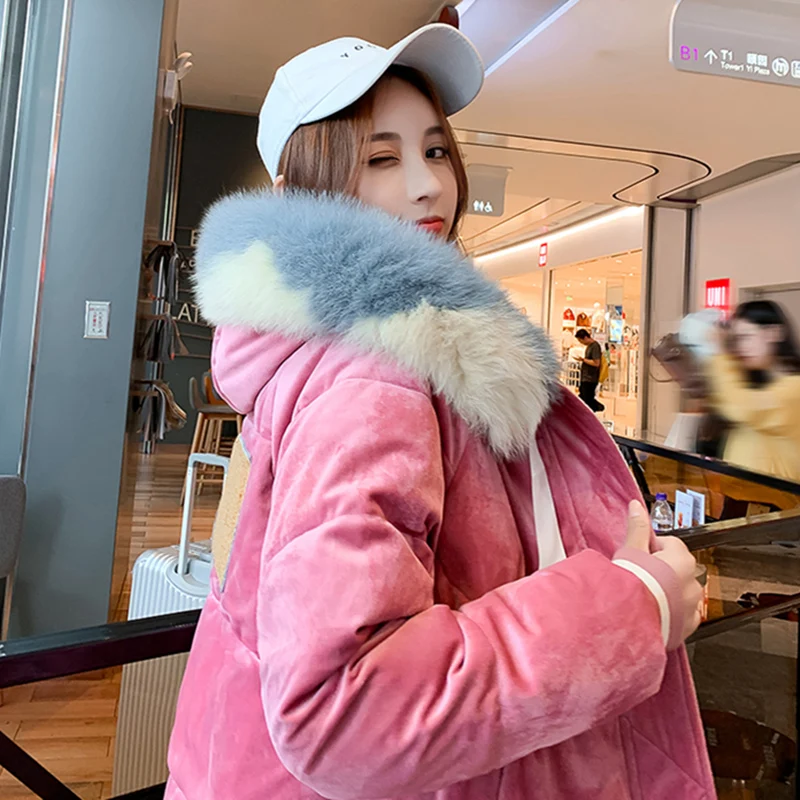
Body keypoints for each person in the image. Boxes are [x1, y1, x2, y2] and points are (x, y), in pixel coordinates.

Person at [165, 25, 713, 800]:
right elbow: (341, 707)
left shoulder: (319, 346)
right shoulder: (372, 371)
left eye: (434, 150)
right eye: (380, 159)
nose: (428, 185)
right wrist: (633, 608)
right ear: (296, 196)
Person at [707, 300, 800, 482]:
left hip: (777, 498)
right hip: (741, 494)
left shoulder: (795, 388)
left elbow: (743, 409)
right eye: (736, 340)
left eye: (746, 336)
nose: (740, 347)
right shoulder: (750, 386)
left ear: (774, 333)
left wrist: (721, 355)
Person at [575, 328, 605, 412]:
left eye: (580, 340)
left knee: (587, 399)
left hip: (590, 378)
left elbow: (596, 363)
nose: (581, 343)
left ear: (585, 337)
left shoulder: (595, 346)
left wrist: (583, 360)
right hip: (586, 377)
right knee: (583, 398)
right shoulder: (589, 346)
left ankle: (598, 407)